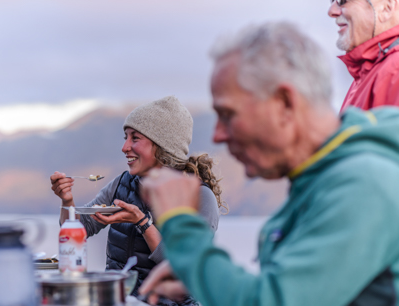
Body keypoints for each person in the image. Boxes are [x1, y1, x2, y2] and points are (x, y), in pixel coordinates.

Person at [139, 22, 399, 306]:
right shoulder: (322, 175)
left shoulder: (362, 185)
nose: (218, 135)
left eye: (228, 114)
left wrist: (182, 226)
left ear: (285, 103)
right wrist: (206, 275)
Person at [50, 96, 226, 305]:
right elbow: (78, 229)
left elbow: (186, 269)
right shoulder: (122, 184)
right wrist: (67, 202)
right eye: (126, 137)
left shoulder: (200, 197)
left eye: (135, 138)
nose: (125, 147)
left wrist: (142, 223)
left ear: (162, 146)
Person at [328, 0, 399, 111]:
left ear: (387, 8)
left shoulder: (395, 70)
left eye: (342, 1)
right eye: (331, 1)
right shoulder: (368, 69)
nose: (331, 11)